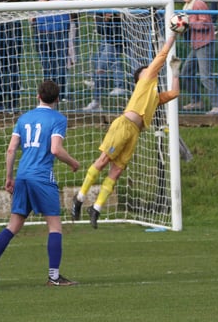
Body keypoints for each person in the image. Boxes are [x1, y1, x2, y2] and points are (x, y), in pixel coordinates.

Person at [72, 34, 181, 228]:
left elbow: (174, 93)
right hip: (123, 126)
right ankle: (79, 198)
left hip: (134, 133)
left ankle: (95, 208)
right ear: (141, 76)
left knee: (117, 170)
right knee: (104, 160)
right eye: (147, 69)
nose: (151, 69)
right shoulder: (146, 80)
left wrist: (175, 73)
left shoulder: (154, 96)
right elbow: (162, 55)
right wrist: (173, 35)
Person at [0, 80, 80, 288]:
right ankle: (54, 277)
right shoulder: (58, 119)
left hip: (23, 175)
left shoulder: (24, 118)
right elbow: (55, 149)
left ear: (38, 96)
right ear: (57, 99)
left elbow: (11, 149)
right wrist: (73, 162)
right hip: (42, 177)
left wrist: (9, 177)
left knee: (13, 225)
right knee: (54, 226)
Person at [26, 0, 79, 101]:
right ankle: (47, 94)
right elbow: (27, 2)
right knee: (46, 63)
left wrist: (63, 3)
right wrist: (38, 3)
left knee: (61, 62)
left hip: (62, 27)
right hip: (41, 29)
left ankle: (62, 94)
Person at [82, 0, 127, 112]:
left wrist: (117, 16)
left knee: (102, 67)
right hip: (108, 40)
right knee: (97, 65)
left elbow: (128, 23)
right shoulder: (100, 6)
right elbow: (101, 30)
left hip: (122, 40)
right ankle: (97, 100)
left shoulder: (122, 1)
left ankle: (100, 99)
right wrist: (105, 20)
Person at [179, 0, 218, 115]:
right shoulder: (187, 6)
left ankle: (217, 106)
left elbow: (205, 24)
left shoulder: (198, 4)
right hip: (196, 45)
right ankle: (196, 101)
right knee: (186, 73)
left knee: (205, 77)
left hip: (205, 43)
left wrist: (188, 23)